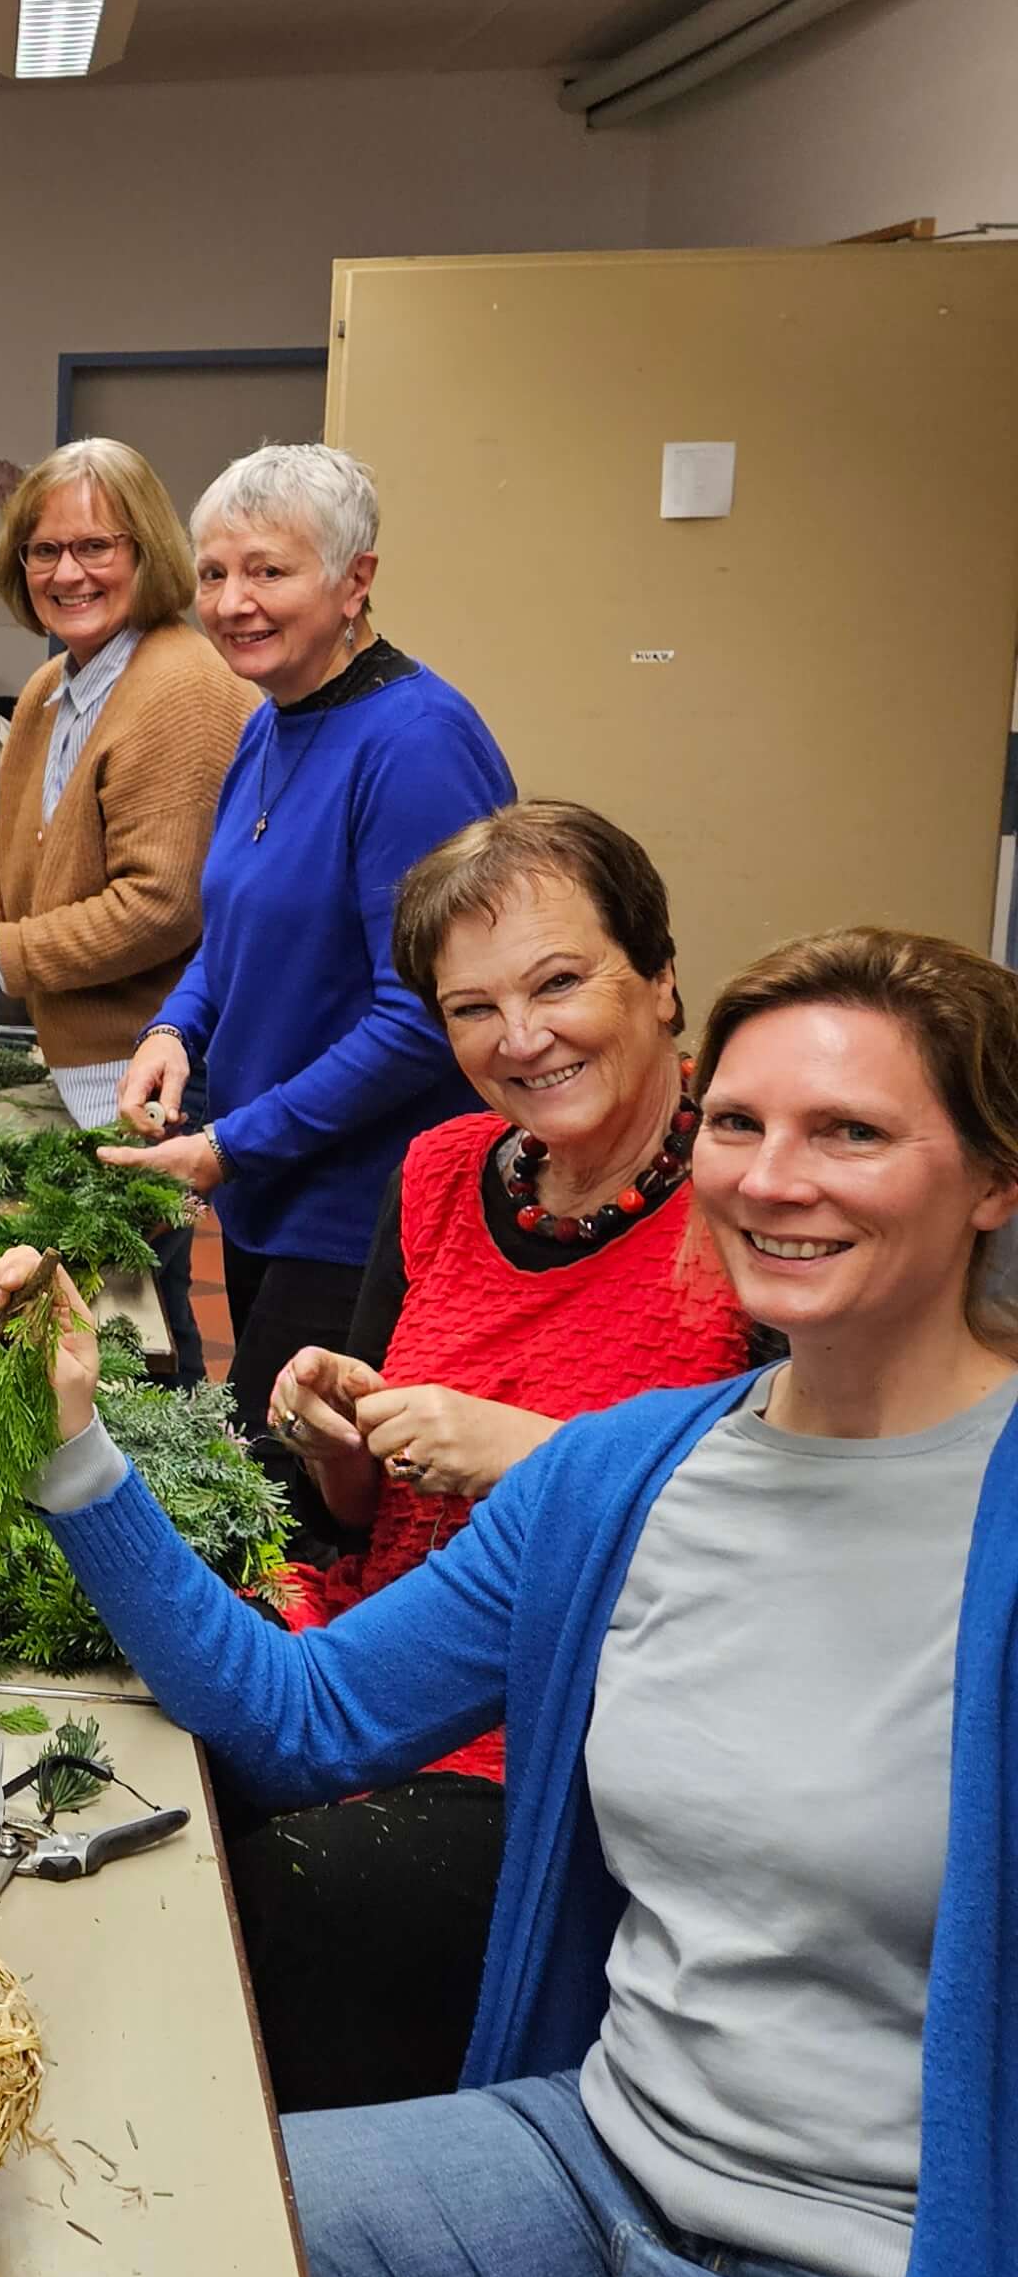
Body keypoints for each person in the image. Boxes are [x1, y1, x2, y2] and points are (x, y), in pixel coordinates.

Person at [0, 923, 1018, 2277]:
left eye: (850, 1133)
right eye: (739, 1123)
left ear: (996, 1180)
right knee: (54, 2227)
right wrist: (79, 1454)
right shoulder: (626, 1477)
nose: (774, 1178)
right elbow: (308, 1715)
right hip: (587, 2165)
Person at [227, 802, 762, 2111]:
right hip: (361, 1673)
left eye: (559, 982)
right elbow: (359, 1525)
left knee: (282, 1902)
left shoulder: (757, 1207)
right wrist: (343, 1440)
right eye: (472, 1010)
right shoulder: (439, 1173)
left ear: (661, 978)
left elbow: (776, 1550)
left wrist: (538, 1458)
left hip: (555, 1751)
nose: (518, 1040)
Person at [105, 443, 512, 1475]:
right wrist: (174, 1027)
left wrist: (232, 1143)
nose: (233, 601)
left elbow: (423, 1017)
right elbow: (231, 922)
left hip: (357, 1213)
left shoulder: (416, 742)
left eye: (268, 571)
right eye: (212, 573)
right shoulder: (272, 718)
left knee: (288, 1501)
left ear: (355, 579)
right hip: (270, 1189)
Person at [0, 438, 254, 1373]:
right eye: (44, 550)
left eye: (96, 547)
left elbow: (162, 906)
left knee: (138, 1322)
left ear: (147, 553)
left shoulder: (181, 686)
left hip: (162, 1068)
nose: (67, 572)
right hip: (90, 1067)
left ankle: (175, 1495)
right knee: (118, 1306)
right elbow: (12, 859)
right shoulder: (50, 690)